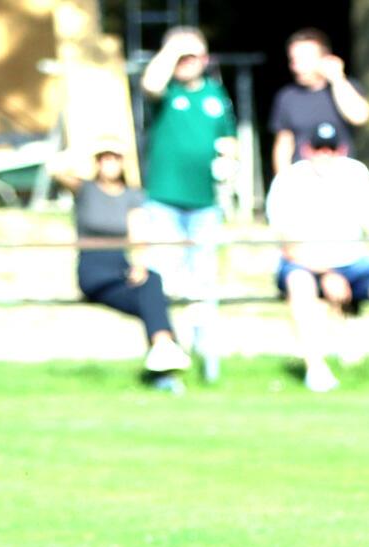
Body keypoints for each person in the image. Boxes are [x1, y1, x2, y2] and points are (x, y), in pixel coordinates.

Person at [266, 122, 369, 393]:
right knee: (299, 282)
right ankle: (316, 370)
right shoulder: (288, 180)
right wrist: (328, 273)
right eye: (319, 148)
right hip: (305, 265)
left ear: (342, 149)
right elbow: (289, 247)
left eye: (331, 148)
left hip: (353, 264)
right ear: (306, 149)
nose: (325, 155)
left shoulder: (356, 173)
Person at [50, 142, 193, 390]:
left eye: (115, 158)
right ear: (97, 162)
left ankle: (163, 356)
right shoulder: (85, 190)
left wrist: (139, 264)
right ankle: (166, 362)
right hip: (94, 271)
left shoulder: (131, 196)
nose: (110, 163)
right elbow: (54, 168)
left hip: (121, 268)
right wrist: (81, 149)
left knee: (152, 283)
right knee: (155, 303)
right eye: (104, 158)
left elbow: (137, 237)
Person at [139, 26, 236, 381]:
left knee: (205, 282)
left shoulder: (216, 95)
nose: (186, 62)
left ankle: (208, 366)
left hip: (205, 204)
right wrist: (171, 50)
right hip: (164, 201)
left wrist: (229, 162)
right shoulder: (166, 93)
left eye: (192, 55)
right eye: (180, 57)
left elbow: (228, 139)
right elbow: (150, 84)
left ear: (205, 59)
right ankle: (166, 360)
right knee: (164, 279)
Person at [270, 28, 369, 168]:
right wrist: (282, 181)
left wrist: (337, 78)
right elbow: (284, 144)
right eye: (293, 60)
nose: (296, 68)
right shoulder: (287, 96)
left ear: (325, 58)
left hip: (343, 179)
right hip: (303, 181)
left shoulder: (345, 87)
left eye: (303, 60)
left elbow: (360, 117)